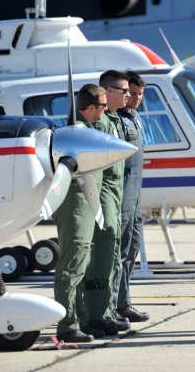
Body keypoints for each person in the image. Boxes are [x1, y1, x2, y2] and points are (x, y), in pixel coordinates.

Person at [53, 84, 108, 343]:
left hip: (86, 204)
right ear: (91, 107)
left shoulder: (87, 131)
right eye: (103, 106)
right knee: (72, 263)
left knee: (82, 264)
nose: (105, 111)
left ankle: (80, 319)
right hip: (75, 205)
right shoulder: (75, 134)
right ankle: (67, 325)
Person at [81, 70, 132, 336]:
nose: (128, 95)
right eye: (124, 91)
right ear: (107, 91)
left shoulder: (113, 119)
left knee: (111, 255)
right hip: (102, 195)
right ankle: (97, 314)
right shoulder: (96, 123)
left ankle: (106, 310)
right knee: (102, 255)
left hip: (115, 194)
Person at [112, 70, 149, 322]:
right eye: (131, 93)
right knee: (120, 252)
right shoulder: (116, 120)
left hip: (135, 197)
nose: (135, 99)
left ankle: (124, 302)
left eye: (139, 95)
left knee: (132, 250)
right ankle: (113, 305)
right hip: (122, 196)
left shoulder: (135, 118)